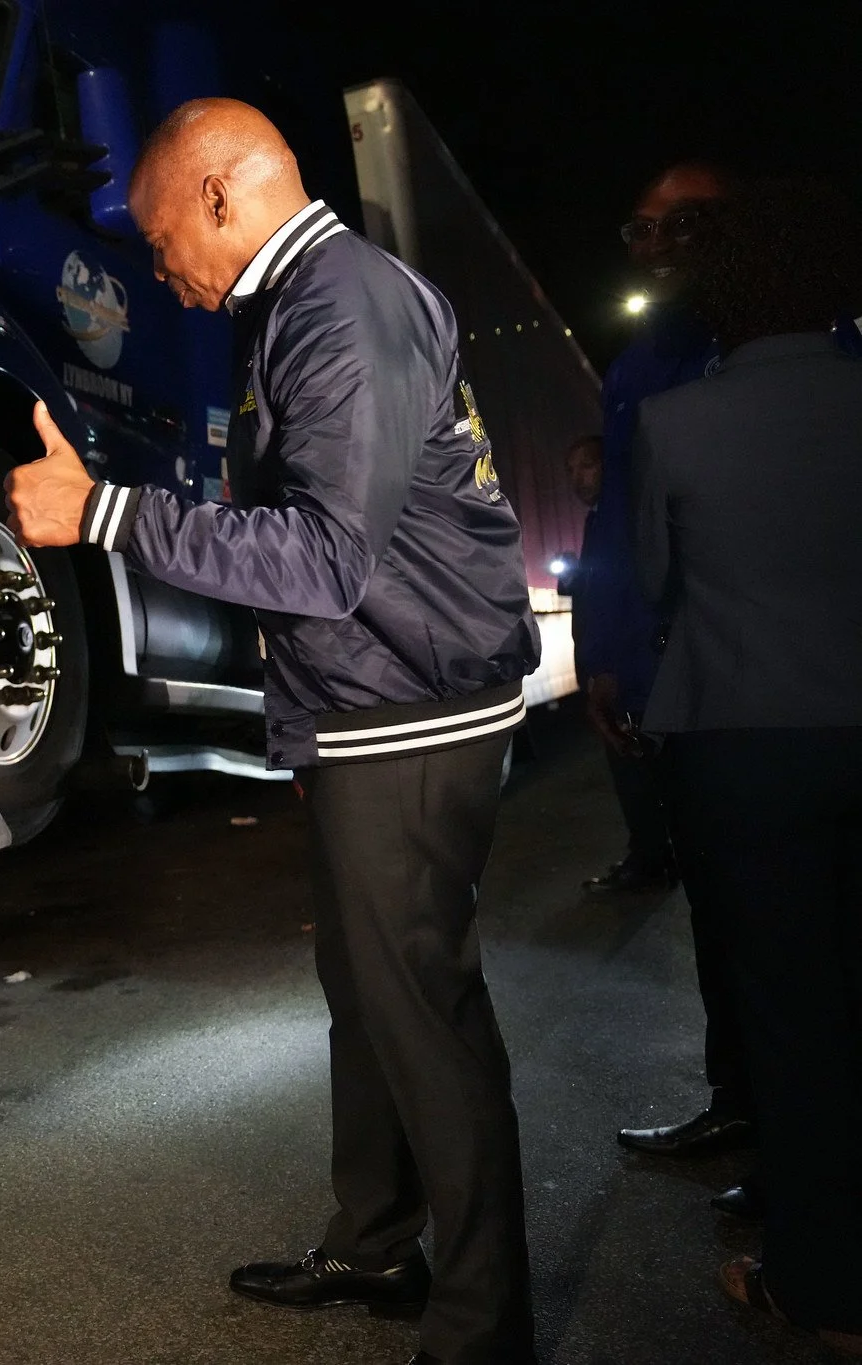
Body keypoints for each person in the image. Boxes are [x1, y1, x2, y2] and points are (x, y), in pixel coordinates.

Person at [7, 98, 539, 1365]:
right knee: (366, 993)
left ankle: (481, 1328)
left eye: (153, 239)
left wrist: (106, 517)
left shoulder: (337, 308)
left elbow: (324, 562)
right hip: (373, 705)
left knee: (418, 1010)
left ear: (217, 194)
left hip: (410, 706)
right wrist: (308, 728)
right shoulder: (300, 303)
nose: (155, 269)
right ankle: (375, 1244)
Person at [633, 177, 862, 1358]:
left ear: (716, 299)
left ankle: (819, 1281)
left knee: (790, 1019)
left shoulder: (677, 424)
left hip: (745, 742)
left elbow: (660, 577)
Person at [602, 165, 761, 1167]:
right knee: (722, 909)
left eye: (682, 226)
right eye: (642, 228)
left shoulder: (794, 342)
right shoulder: (640, 366)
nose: (656, 247)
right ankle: (742, 1104)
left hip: (781, 680)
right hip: (696, 681)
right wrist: (606, 651)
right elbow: (618, 528)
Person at [565, 431, 675, 896]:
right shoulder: (599, 523)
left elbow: (625, 600)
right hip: (615, 673)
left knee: (637, 770)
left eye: (587, 465)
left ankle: (653, 862)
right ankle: (655, 857)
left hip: (627, 676)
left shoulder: (622, 522)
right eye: (570, 470)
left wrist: (608, 670)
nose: (577, 477)